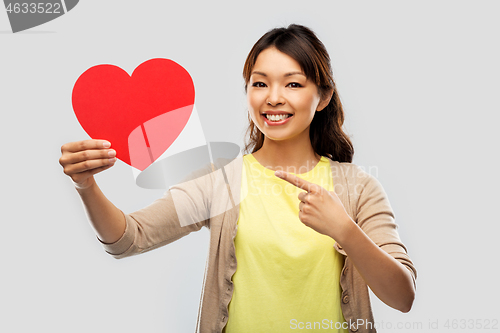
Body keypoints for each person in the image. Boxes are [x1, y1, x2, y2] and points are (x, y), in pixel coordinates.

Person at [60, 24, 416, 333]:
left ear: (322, 97)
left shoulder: (358, 187)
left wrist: (345, 230)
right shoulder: (222, 180)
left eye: (293, 84)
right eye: (260, 83)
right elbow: (128, 239)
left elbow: (402, 297)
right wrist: (85, 185)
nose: (273, 98)